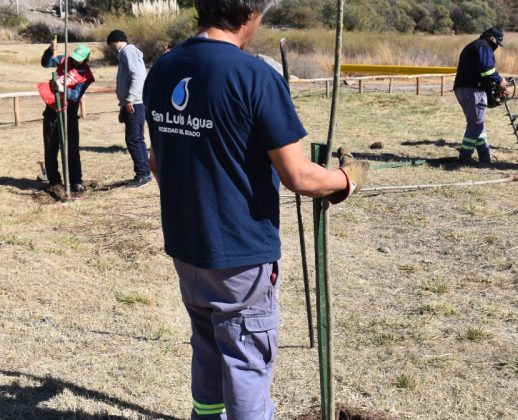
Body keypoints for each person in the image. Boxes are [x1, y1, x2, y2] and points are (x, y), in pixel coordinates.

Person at [142, 1, 369, 418]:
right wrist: (346, 179)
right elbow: (298, 176)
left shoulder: (164, 68)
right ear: (250, 15)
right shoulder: (254, 75)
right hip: (239, 253)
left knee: (208, 350)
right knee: (246, 361)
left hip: (186, 247)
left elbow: (158, 162)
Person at [39, 42, 95, 192]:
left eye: (79, 59)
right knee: (51, 147)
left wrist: (64, 90)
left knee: (72, 148)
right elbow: (46, 63)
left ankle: (75, 181)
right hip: (52, 110)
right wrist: (49, 51)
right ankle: (54, 182)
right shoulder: (64, 60)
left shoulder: (86, 75)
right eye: (75, 57)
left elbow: (76, 95)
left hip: (69, 113)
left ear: (86, 59)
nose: (75, 61)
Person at [453, 27, 508, 164]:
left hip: (464, 89)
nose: (496, 47)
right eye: (497, 43)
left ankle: (485, 155)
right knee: (476, 123)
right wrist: (500, 80)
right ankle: (465, 156)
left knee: (478, 123)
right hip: (473, 91)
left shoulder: (473, 45)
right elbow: (487, 71)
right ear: (492, 39)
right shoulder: (483, 47)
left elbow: (481, 71)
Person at [107, 30, 152, 187]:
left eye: (111, 44)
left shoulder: (128, 52)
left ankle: (143, 174)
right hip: (131, 103)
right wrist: (123, 105)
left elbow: (138, 76)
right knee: (136, 138)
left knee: (133, 139)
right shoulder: (125, 53)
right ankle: (145, 171)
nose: (111, 48)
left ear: (116, 41)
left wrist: (130, 98)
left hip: (136, 103)